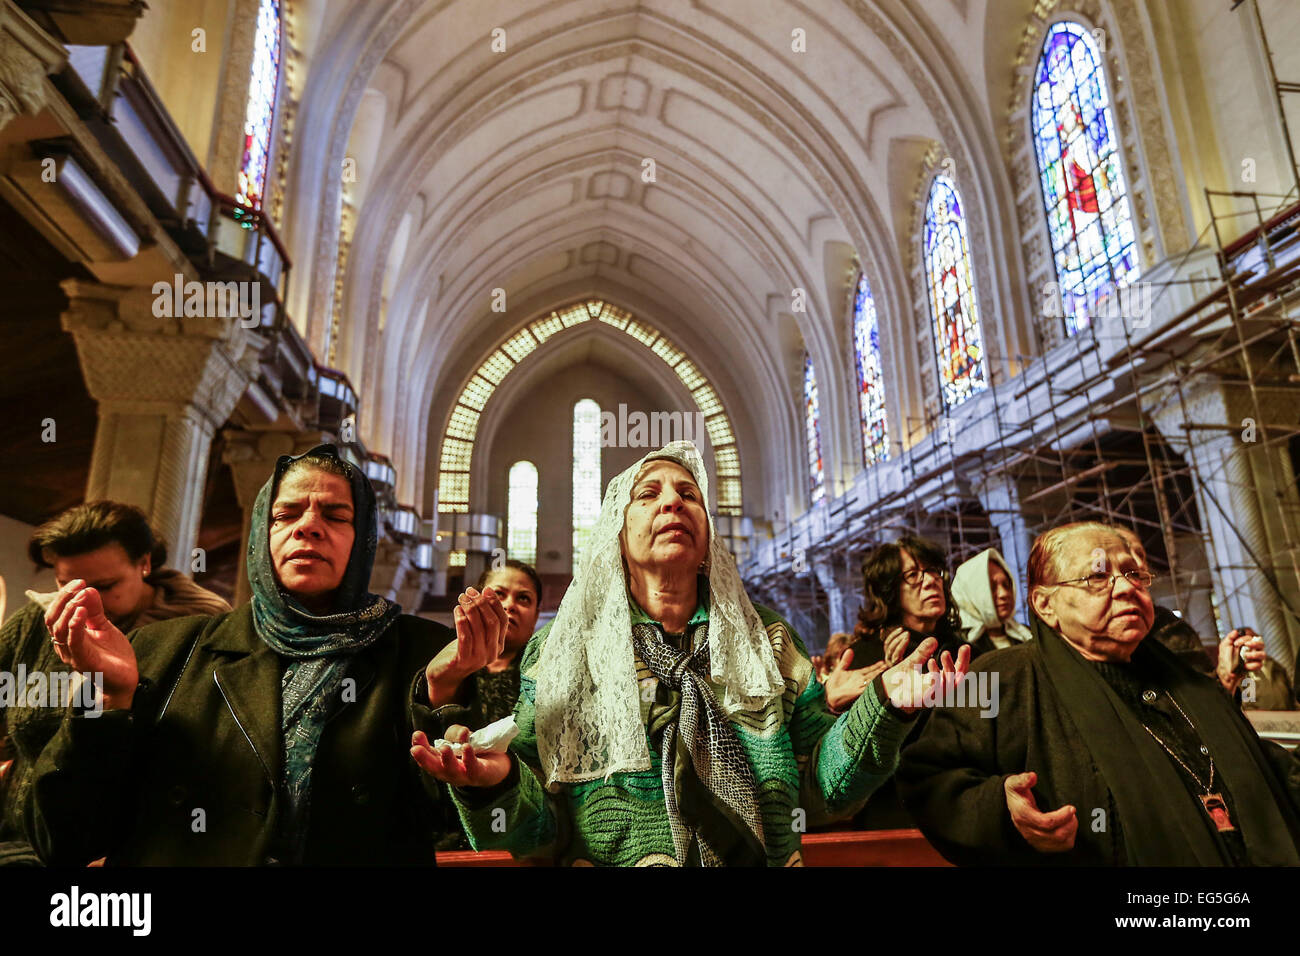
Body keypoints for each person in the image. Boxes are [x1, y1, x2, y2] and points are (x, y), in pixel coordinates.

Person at [413, 440, 969, 866]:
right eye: (649, 494)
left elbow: (823, 793)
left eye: (689, 494)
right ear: (617, 530)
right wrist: (497, 785)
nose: (673, 500)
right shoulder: (564, 652)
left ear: (707, 536)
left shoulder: (767, 641)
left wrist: (885, 706)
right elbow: (539, 831)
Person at [23, 445, 501, 866]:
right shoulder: (163, 651)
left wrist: (444, 694)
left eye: (335, 516)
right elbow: (63, 840)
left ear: (364, 539)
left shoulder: (422, 653)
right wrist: (107, 700)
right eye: (285, 515)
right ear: (261, 534)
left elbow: (455, 822)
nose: (308, 527)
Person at [897, 521, 1300, 865]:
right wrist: (1001, 807)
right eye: (1097, 577)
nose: (1125, 589)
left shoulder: (1184, 677)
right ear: (1045, 604)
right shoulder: (998, 677)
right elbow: (928, 777)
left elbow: (1262, 767)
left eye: (1134, 574)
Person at [0, 501, 229, 866]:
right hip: (14, 840)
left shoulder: (201, 637)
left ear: (145, 564)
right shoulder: (35, 624)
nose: (85, 601)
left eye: (105, 586)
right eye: (66, 585)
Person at [426, 559, 542, 850]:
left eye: (523, 598)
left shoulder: (548, 678)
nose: (510, 605)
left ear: (538, 614)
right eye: (498, 595)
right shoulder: (439, 667)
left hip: (523, 834)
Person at [950, 547, 1032, 659]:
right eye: (991, 587)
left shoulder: (1027, 635)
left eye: (1006, 585)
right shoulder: (957, 647)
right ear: (970, 594)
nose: (1004, 594)